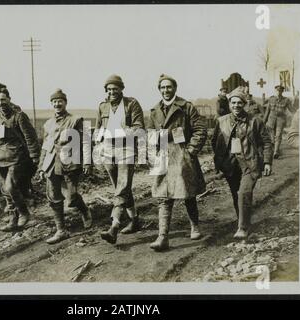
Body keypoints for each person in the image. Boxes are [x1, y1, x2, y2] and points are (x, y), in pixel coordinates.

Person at [146, 74, 207, 251]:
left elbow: (200, 129)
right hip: (163, 157)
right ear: (159, 90)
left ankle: (195, 226)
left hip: (181, 156)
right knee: (163, 198)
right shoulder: (154, 111)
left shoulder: (186, 107)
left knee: (188, 194)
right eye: (162, 88)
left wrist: (190, 151)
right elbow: (149, 133)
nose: (166, 90)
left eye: (169, 87)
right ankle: (162, 237)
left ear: (175, 88)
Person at [212, 86, 273, 239]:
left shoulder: (255, 121)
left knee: (244, 192)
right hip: (230, 164)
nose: (236, 106)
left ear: (244, 104)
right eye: (233, 103)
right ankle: (244, 221)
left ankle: (243, 228)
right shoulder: (221, 121)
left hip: (250, 163)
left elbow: (267, 142)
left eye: (239, 103)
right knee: (235, 194)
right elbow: (216, 143)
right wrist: (218, 164)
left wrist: (267, 162)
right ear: (229, 104)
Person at [0, 88, 40, 231]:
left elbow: (30, 137)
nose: (1, 103)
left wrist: (35, 156)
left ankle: (24, 212)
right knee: (2, 187)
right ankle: (13, 218)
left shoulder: (19, 116)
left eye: (3, 100)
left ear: (9, 99)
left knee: (10, 186)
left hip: (17, 157)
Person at [38, 89, 93, 244]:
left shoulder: (76, 120)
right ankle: (61, 230)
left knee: (72, 197)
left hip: (70, 162)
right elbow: (45, 146)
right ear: (51, 104)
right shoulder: (48, 124)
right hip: (51, 163)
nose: (57, 104)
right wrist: (42, 166)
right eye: (54, 101)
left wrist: (87, 162)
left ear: (65, 102)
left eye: (60, 101)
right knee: (54, 197)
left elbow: (86, 142)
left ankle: (84, 211)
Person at [97, 74, 145, 244]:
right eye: (109, 89)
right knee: (121, 187)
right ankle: (135, 220)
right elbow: (99, 128)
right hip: (108, 151)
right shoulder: (103, 106)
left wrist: (123, 130)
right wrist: (99, 144)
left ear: (121, 89)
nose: (112, 92)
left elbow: (139, 128)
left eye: (115, 89)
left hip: (126, 149)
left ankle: (115, 225)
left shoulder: (132, 104)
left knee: (122, 188)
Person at [263, 85, 296, 159]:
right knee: (272, 137)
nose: (278, 92)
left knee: (278, 136)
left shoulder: (286, 100)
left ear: (282, 91)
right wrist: (264, 121)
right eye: (277, 91)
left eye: (280, 91)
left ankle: (276, 152)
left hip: (280, 120)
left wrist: (297, 114)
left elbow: (291, 110)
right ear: (275, 91)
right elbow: (267, 111)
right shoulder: (271, 99)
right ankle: (274, 149)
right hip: (271, 121)